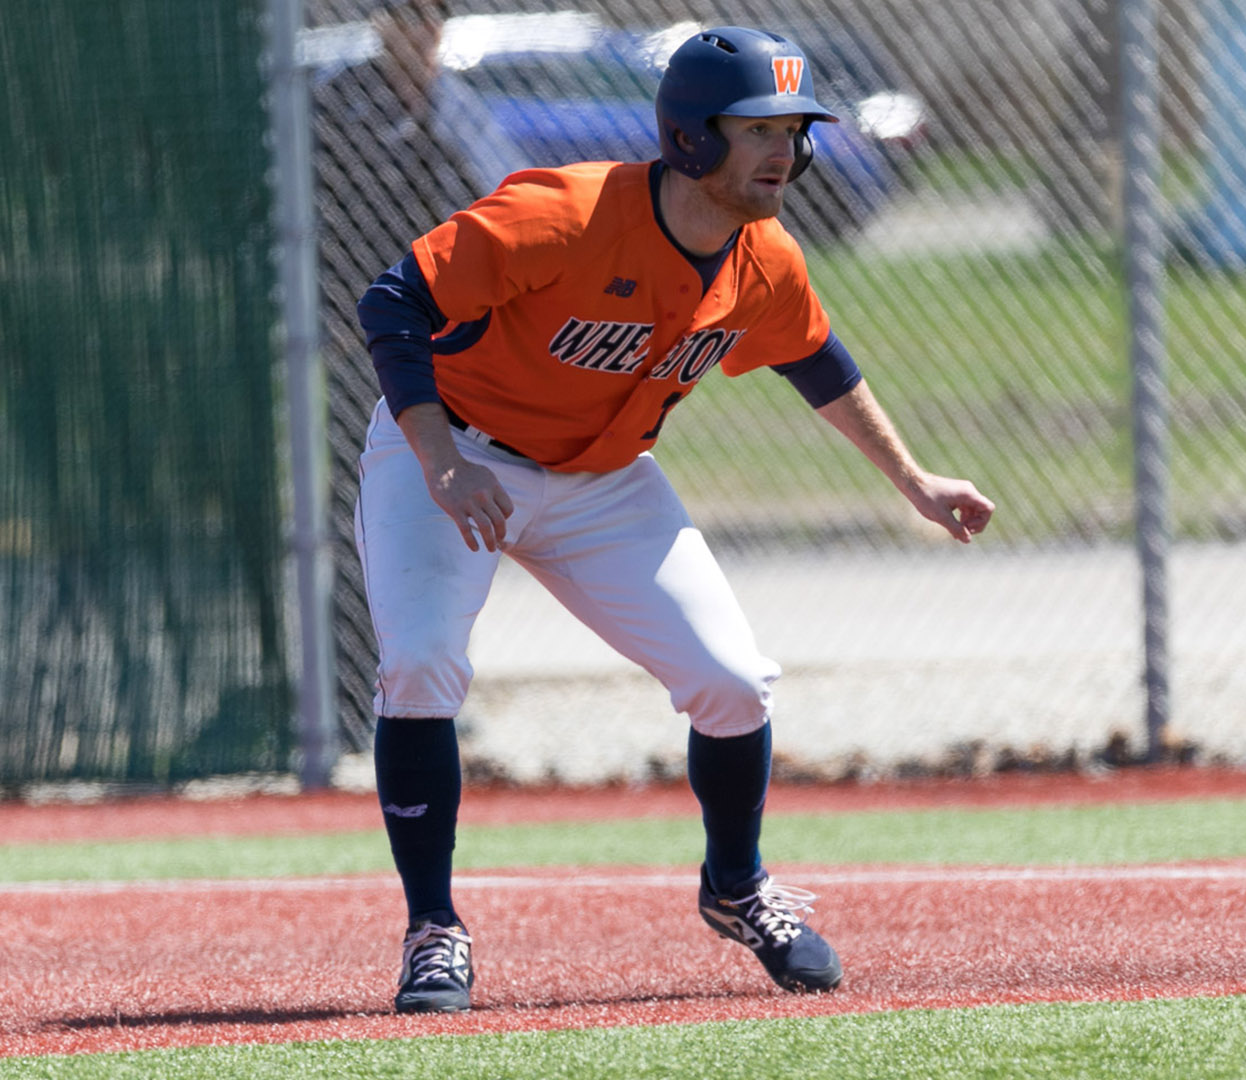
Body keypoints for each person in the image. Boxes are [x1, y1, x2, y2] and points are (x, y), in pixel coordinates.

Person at [353, 26, 996, 1014]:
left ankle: (736, 888)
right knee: (423, 662)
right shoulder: (561, 213)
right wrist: (438, 461)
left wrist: (912, 480)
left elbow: (816, 360)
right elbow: (394, 302)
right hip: (456, 449)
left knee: (733, 682)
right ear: (693, 138)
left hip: (604, 479)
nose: (787, 152)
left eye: (796, 129)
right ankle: (433, 927)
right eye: (760, 131)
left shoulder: (763, 257)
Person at [312, 0, 527, 751]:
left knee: (448, 529)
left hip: (454, 356)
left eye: (431, 15)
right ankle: (346, 701)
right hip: (366, 351)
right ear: (379, 24)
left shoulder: (457, 105)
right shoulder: (340, 107)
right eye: (404, 15)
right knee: (363, 522)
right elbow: (314, 221)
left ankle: (426, 695)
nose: (419, 31)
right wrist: (339, 318)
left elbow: (505, 206)